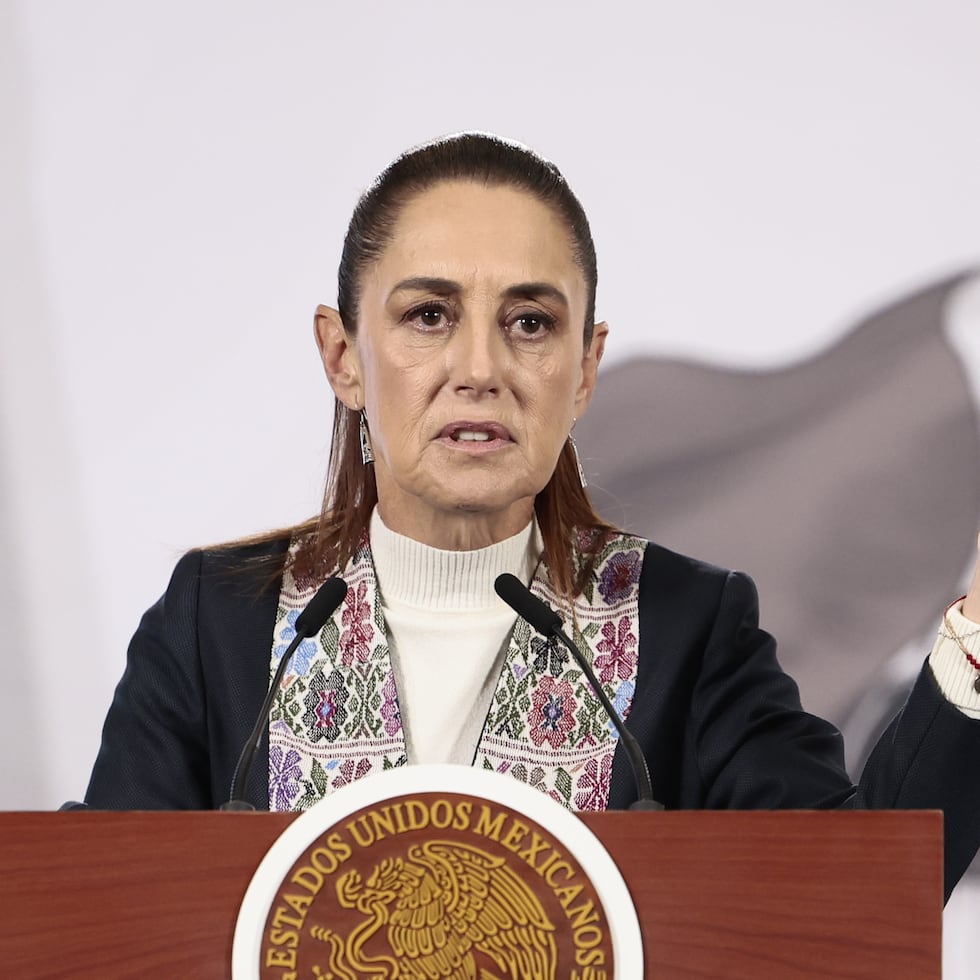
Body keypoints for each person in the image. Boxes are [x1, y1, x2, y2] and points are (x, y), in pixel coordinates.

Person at [84, 133, 980, 901]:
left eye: (530, 323)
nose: (480, 367)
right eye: (429, 315)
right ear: (342, 355)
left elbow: (870, 891)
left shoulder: (682, 629)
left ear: (585, 369)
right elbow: (95, 917)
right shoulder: (222, 622)